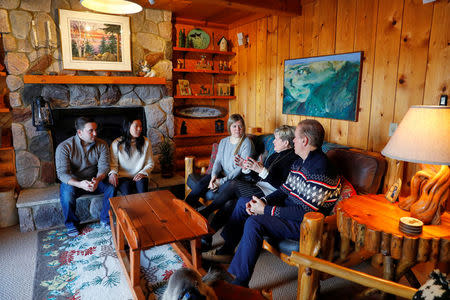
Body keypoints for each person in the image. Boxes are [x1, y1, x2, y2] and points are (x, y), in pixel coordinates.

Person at [202, 119, 342, 287]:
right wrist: (262, 201)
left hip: (304, 223)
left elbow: (305, 212)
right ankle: (226, 251)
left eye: (295, 138)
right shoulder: (300, 162)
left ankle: (240, 282)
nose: (293, 142)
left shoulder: (321, 169)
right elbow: (284, 190)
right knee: (243, 203)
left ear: (304, 141)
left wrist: (266, 210)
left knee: (255, 221)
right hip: (289, 210)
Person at [198, 125, 298, 236]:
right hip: (259, 187)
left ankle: (207, 211)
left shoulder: (294, 159)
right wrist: (247, 168)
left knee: (234, 183)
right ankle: (208, 236)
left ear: (286, 143)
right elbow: (259, 178)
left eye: (276, 139)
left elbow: (282, 186)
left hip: (271, 194)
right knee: (230, 203)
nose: (273, 142)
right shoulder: (274, 155)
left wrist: (262, 171)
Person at [55, 117, 115, 237]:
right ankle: (71, 224)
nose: (95, 133)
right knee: (66, 195)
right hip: (74, 181)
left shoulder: (102, 144)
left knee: (111, 188)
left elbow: (104, 167)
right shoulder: (64, 147)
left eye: (96, 130)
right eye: (91, 131)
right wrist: (80, 184)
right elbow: (62, 174)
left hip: (94, 180)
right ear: (79, 132)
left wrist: (97, 180)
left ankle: (105, 219)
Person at [185, 114, 254, 209]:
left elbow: (239, 169)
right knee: (201, 184)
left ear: (243, 127)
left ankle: (200, 210)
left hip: (235, 179)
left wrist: (221, 182)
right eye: (234, 126)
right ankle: (186, 207)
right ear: (229, 127)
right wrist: (213, 177)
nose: (237, 129)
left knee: (218, 191)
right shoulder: (223, 141)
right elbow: (217, 161)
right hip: (221, 174)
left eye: (240, 126)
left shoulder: (246, 143)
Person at [108, 119, 154, 195]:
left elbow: (150, 163)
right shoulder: (116, 143)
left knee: (143, 190)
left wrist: (143, 173)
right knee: (127, 192)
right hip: (122, 177)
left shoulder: (146, 142)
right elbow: (113, 164)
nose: (139, 129)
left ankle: (144, 207)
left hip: (140, 175)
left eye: (141, 126)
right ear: (128, 127)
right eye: (136, 126)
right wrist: (113, 173)